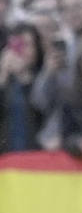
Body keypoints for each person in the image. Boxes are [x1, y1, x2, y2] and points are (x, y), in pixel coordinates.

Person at [0, 21, 45, 151]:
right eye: (17, 46)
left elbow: (41, 114)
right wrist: (3, 76)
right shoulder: (4, 79)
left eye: (28, 45)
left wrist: (25, 79)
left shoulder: (44, 77)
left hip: (34, 157)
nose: (22, 51)